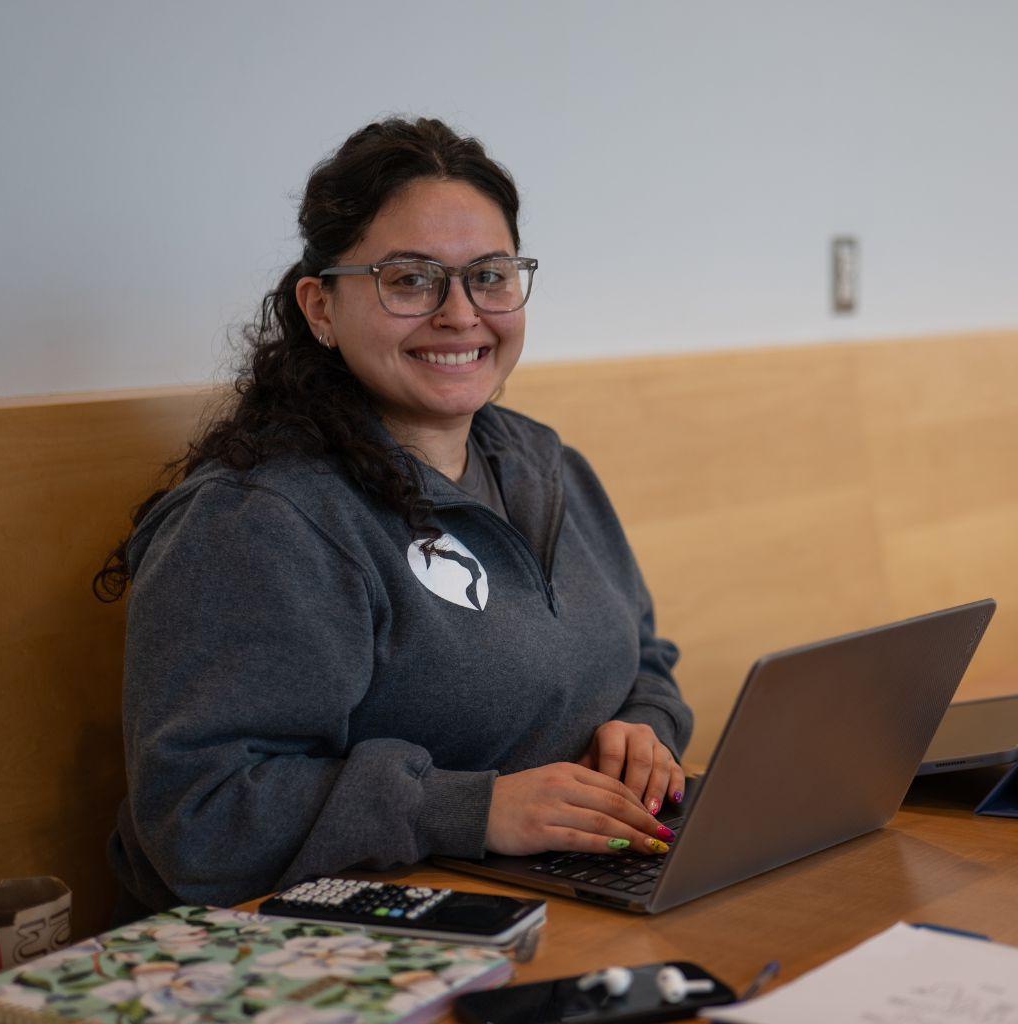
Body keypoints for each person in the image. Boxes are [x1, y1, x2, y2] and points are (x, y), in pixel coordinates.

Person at [98, 117, 693, 916]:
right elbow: (199, 815)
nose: (459, 313)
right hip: (330, 942)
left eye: (490, 275)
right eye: (409, 280)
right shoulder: (259, 524)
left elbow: (642, 653)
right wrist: (470, 809)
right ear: (320, 308)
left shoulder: (546, 465)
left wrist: (646, 726)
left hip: (570, 886)